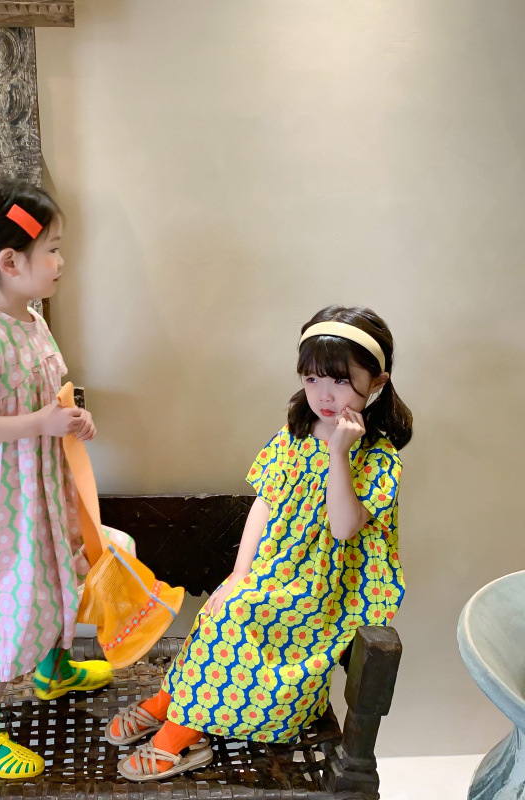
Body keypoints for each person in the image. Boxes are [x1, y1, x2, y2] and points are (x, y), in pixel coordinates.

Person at [106, 305, 412, 781]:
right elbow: (265, 504)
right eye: (312, 379)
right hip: (274, 569)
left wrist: (339, 453)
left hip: (324, 589)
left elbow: (343, 527)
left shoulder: (378, 456)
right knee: (222, 609)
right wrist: (240, 572)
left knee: (240, 616)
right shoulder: (294, 436)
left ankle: (182, 733)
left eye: (340, 380)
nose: (324, 394)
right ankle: (173, 700)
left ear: (376, 382)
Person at [0, 178, 112, 779]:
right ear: (10, 262)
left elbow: (48, 389)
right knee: (5, 597)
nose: (62, 262)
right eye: (53, 249)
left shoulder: (30, 320)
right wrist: (41, 422)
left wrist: (71, 415)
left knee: (53, 572)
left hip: (38, 486)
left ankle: (53, 670)